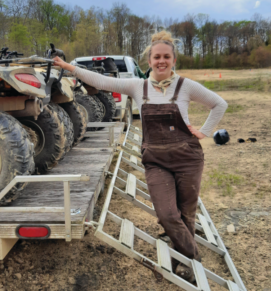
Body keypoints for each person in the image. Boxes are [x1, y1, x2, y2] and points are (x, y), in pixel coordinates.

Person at [53, 30, 228, 283]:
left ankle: (184, 263)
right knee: (167, 214)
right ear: (150, 60)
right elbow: (101, 81)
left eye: (166, 57)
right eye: (157, 57)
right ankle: (193, 255)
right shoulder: (138, 86)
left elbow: (219, 104)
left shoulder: (185, 86)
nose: (161, 61)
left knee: (186, 213)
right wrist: (69, 67)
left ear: (173, 60)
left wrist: (204, 132)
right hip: (156, 160)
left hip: (188, 159)